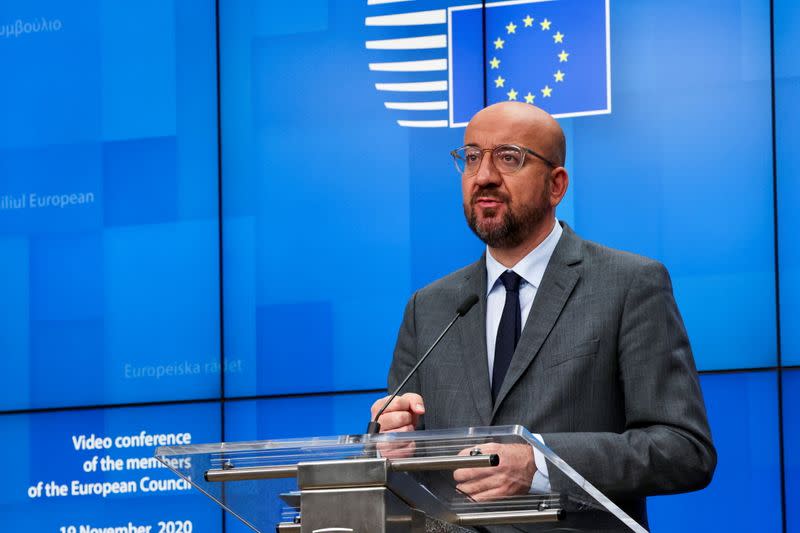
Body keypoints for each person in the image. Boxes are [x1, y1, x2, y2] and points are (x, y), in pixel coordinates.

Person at [370, 102, 716, 527]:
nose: (484, 177)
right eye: (472, 157)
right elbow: (398, 459)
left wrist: (541, 464)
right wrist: (392, 441)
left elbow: (683, 450)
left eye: (509, 157)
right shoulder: (430, 306)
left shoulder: (630, 285)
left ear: (557, 185)